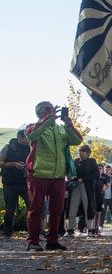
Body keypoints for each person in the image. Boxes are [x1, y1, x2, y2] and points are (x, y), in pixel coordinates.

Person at [24, 101, 83, 251]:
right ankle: (33, 242)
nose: (52, 111)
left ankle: (52, 241)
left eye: (52, 109)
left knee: (57, 209)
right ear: (39, 113)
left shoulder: (61, 129)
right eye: (47, 109)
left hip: (58, 176)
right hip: (38, 173)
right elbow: (32, 135)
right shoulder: (33, 126)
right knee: (36, 209)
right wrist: (48, 120)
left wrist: (69, 125)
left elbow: (77, 140)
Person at [1, 127, 31, 238]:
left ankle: (33, 232)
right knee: (10, 210)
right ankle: (7, 233)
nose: (28, 139)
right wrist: (14, 164)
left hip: (24, 182)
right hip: (10, 182)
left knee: (31, 207)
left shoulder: (29, 149)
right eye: (26, 137)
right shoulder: (8, 148)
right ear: (20, 137)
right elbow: (1, 163)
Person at [66, 145, 99, 237]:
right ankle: (70, 229)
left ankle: (90, 229)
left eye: (83, 151)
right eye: (80, 151)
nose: (80, 152)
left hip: (86, 187)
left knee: (87, 207)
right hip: (75, 187)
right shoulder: (75, 161)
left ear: (87, 153)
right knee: (73, 206)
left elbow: (96, 174)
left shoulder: (91, 162)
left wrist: (83, 179)